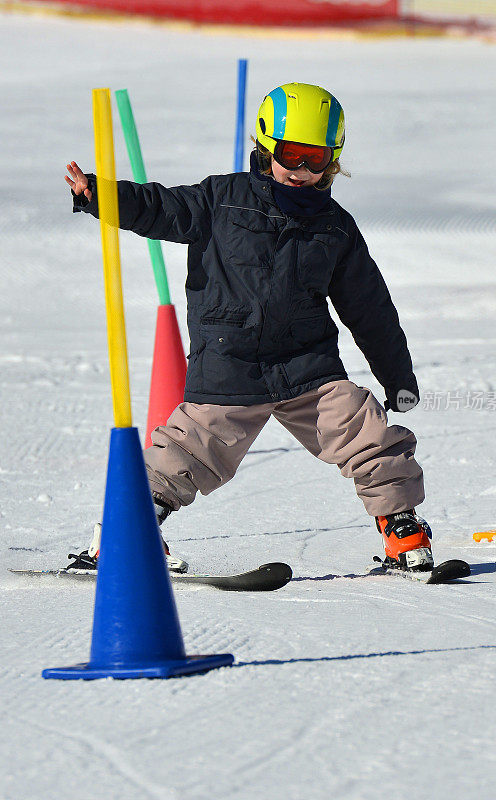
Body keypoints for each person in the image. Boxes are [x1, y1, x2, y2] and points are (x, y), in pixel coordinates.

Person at [65, 82, 433, 575]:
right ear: (266, 146)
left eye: (316, 159)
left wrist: (397, 376)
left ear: (333, 159)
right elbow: (160, 208)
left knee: (363, 429)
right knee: (187, 451)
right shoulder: (222, 198)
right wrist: (101, 195)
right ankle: (127, 534)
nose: (302, 171)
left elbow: (369, 308)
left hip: (307, 368)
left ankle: (403, 531)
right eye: (291, 155)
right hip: (230, 362)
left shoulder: (336, 227)